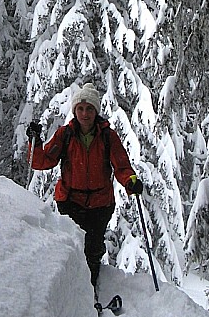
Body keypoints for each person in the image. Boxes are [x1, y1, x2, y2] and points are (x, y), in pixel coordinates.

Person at [27, 82, 143, 287]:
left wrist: (130, 182)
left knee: (92, 250)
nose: (85, 113)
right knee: (72, 246)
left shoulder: (107, 136)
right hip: (70, 201)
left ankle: (89, 293)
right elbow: (43, 161)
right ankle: (71, 291)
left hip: (100, 204)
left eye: (89, 108)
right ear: (74, 111)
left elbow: (122, 166)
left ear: (96, 110)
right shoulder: (66, 134)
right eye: (80, 109)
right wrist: (34, 142)